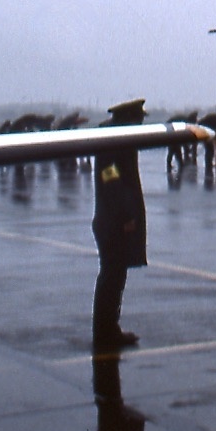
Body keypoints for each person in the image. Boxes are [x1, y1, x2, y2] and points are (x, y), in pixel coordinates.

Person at [92, 99, 148, 350]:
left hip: (112, 218)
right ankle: (105, 332)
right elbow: (111, 179)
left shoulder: (116, 139)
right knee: (112, 277)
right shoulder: (112, 143)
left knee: (115, 277)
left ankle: (109, 328)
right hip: (113, 220)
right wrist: (126, 215)